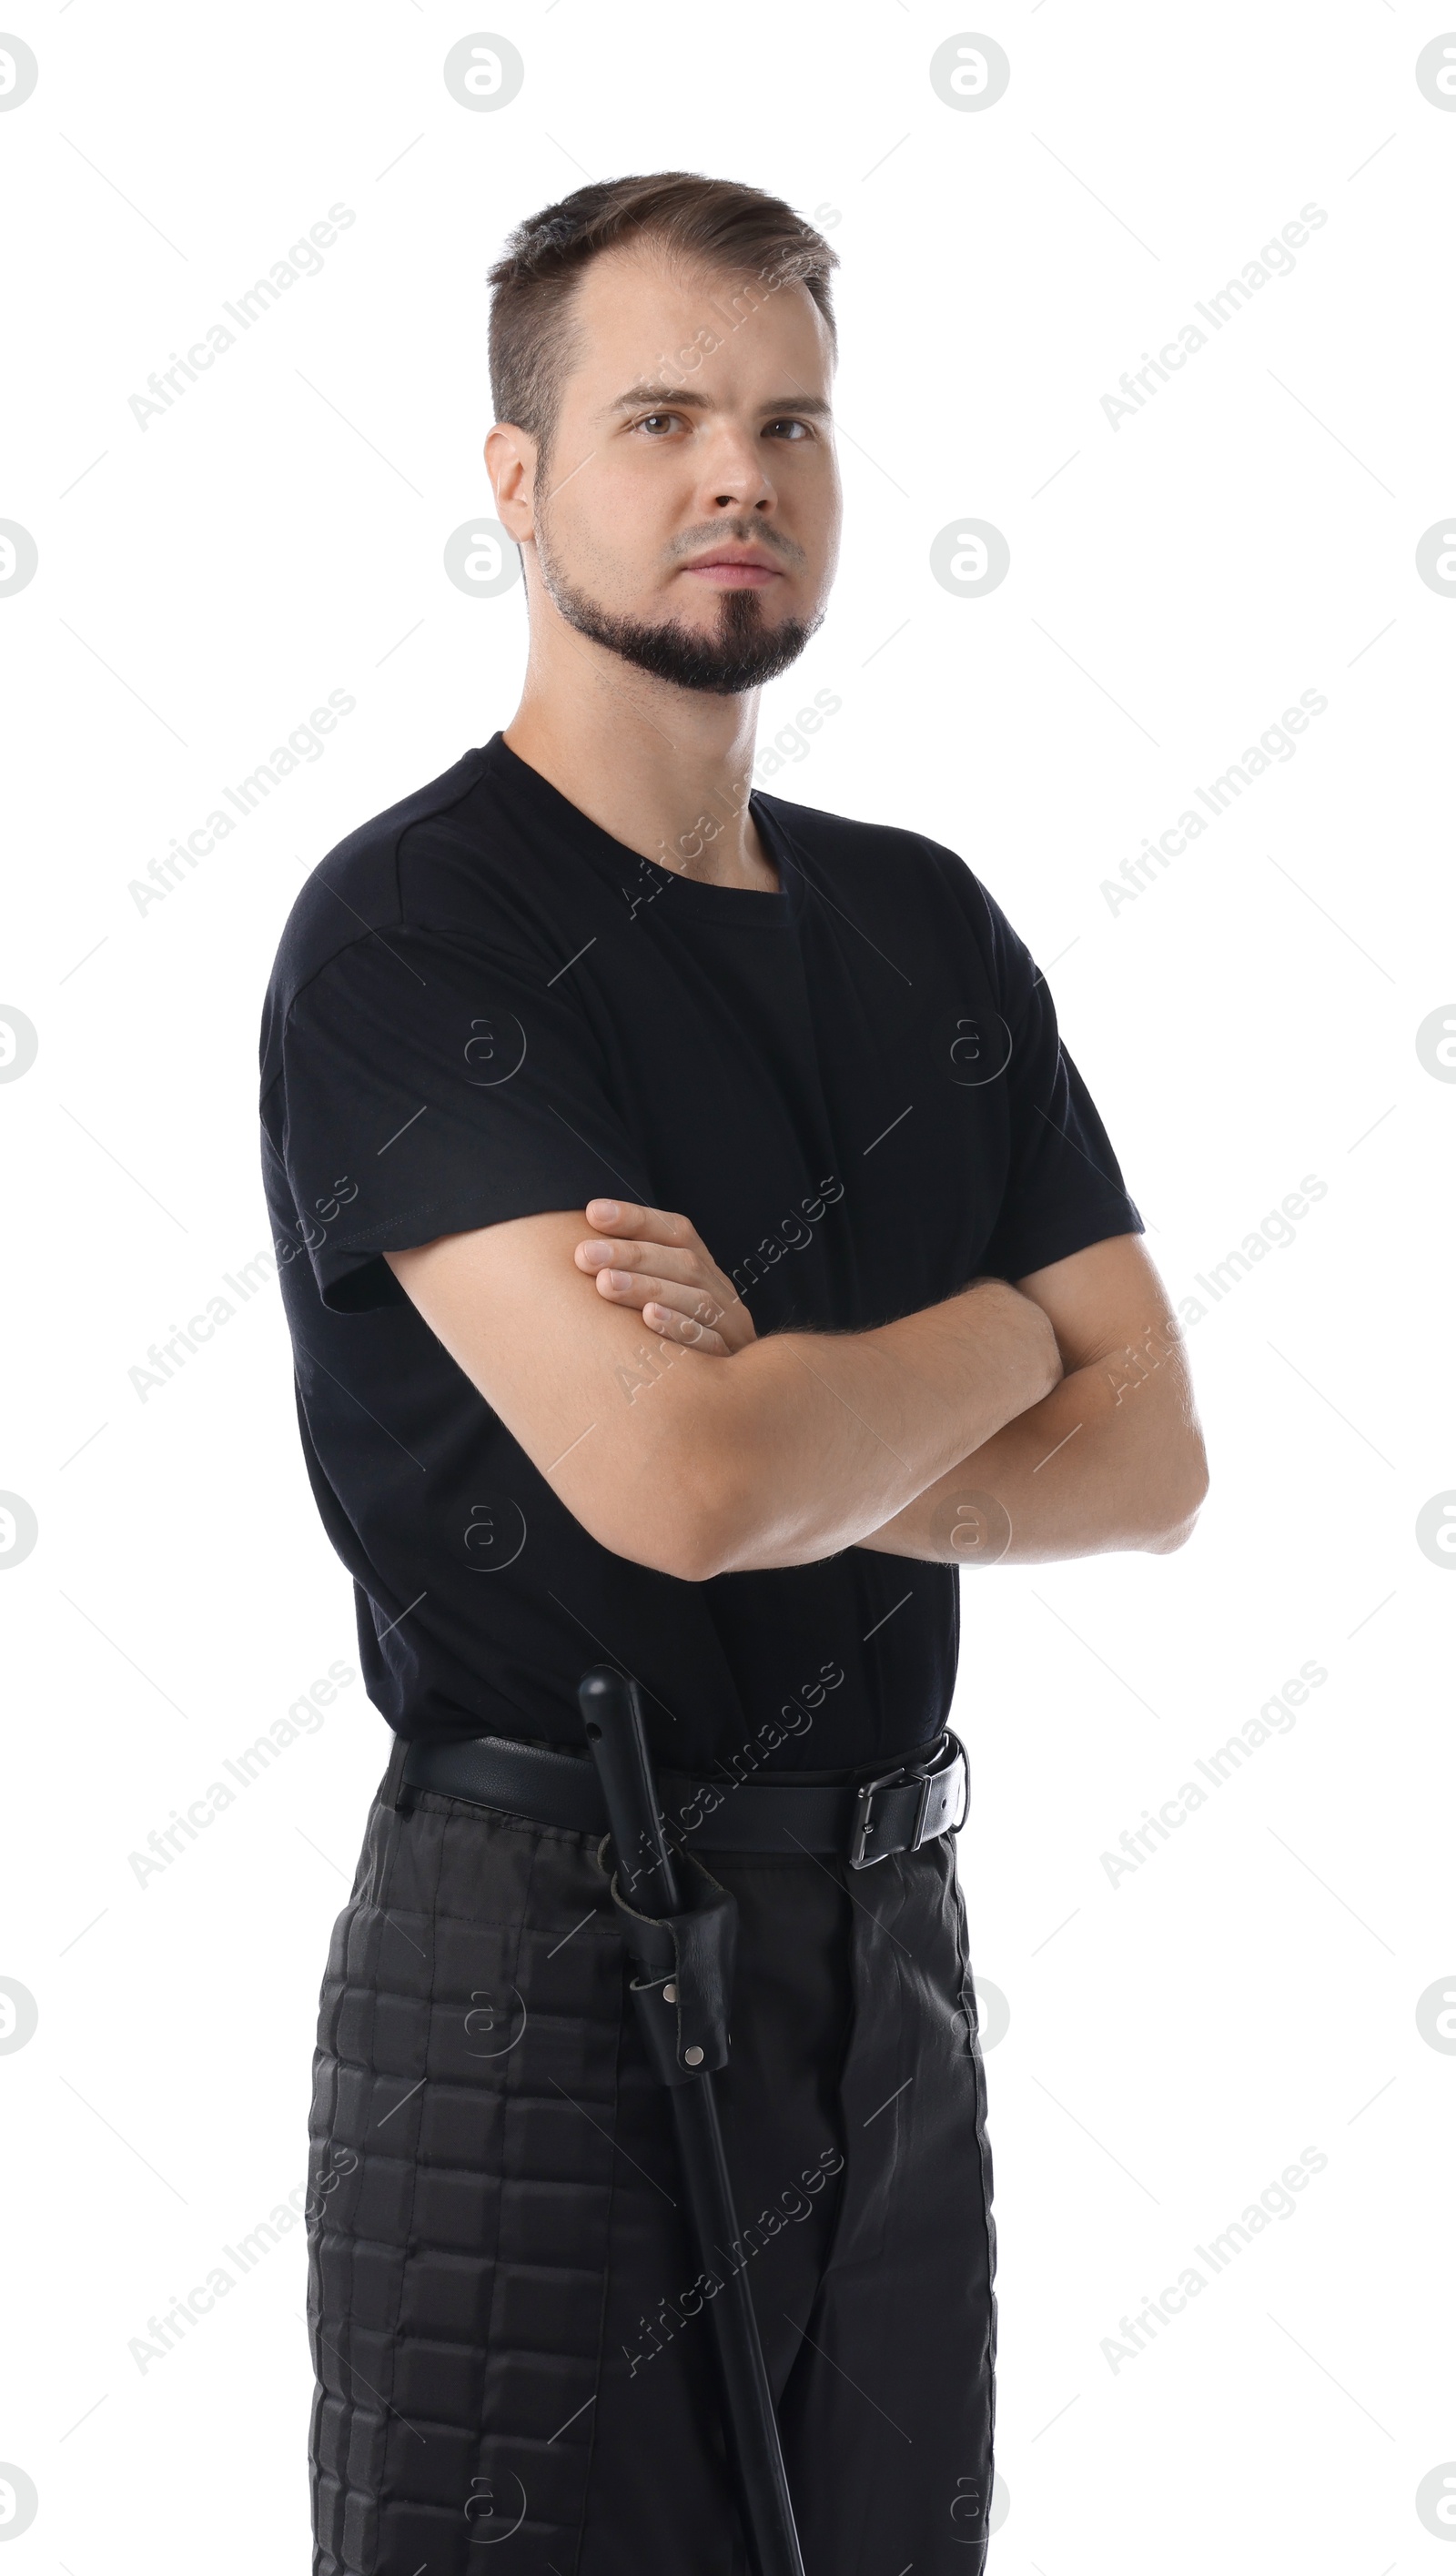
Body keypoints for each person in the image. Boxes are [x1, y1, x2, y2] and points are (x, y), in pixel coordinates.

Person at [258, 171, 1208, 2576]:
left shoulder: (922, 921)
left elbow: (1157, 1452)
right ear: (518, 479)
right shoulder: (418, 929)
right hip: (540, 1966)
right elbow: (677, 1484)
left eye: (790, 424)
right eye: (661, 415)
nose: (736, 478)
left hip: (893, 1969)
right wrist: (1003, 1343)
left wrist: (829, 1398)